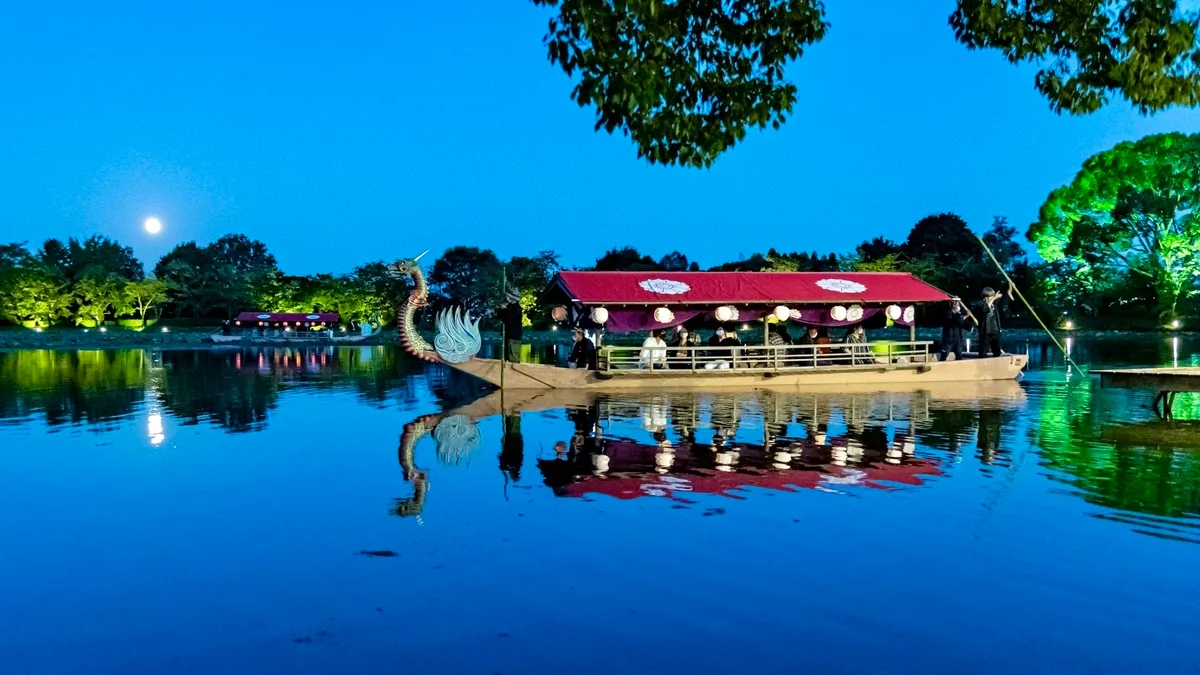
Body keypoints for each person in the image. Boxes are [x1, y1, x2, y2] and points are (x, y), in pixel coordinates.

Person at [974, 286, 1013, 357]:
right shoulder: (979, 304)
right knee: (983, 350)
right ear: (985, 297)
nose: (992, 298)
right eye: (990, 296)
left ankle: (997, 362)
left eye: (992, 296)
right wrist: (994, 298)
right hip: (985, 331)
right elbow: (985, 309)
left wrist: (1009, 288)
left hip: (995, 330)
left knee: (997, 350)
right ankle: (982, 362)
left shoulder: (994, 304)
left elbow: (1003, 296)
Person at [499, 289, 524, 363]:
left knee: (513, 357)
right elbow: (500, 316)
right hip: (508, 335)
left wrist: (503, 310)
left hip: (513, 336)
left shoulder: (517, 309)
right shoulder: (509, 306)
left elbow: (508, 319)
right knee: (506, 356)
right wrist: (501, 309)